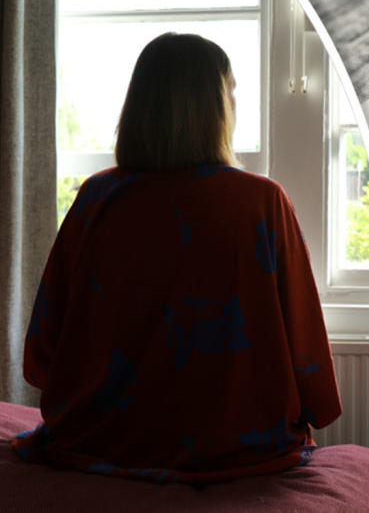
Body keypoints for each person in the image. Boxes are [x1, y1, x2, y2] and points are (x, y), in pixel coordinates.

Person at [11, 32, 341, 483]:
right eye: (232, 91)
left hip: (102, 436)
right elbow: (302, 335)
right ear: (216, 107)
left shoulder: (96, 198)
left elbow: (46, 342)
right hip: (238, 442)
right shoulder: (261, 201)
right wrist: (315, 403)